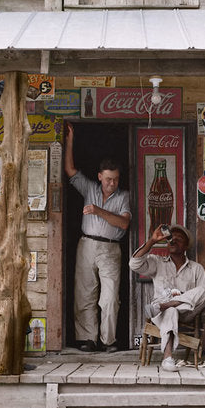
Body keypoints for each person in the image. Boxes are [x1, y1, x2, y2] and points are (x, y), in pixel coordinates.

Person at [64, 122, 132, 352]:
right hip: (87, 244)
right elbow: (70, 170)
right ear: (100, 176)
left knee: (110, 296)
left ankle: (108, 340)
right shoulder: (90, 188)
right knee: (84, 294)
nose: (112, 183)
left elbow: (123, 222)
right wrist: (70, 139)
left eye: (115, 179)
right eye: (108, 179)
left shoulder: (124, 196)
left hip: (111, 248)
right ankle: (88, 339)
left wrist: (97, 210)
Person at [128, 224, 205, 371]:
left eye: (179, 239)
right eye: (171, 238)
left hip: (186, 312)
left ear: (186, 246)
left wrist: (172, 302)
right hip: (161, 313)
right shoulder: (157, 262)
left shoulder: (196, 268)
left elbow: (203, 297)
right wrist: (152, 240)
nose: (173, 241)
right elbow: (134, 264)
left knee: (202, 291)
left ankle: (167, 304)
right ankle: (168, 359)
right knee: (171, 311)